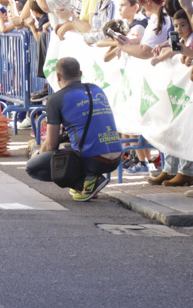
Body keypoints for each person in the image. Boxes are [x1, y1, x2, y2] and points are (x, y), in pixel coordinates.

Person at [24, 57, 122, 201]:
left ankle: (84, 183)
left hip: (94, 160)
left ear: (57, 76)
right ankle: (90, 177)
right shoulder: (97, 89)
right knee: (68, 143)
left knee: (33, 167)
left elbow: (51, 144)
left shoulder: (56, 99)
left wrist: (38, 154)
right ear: (80, 73)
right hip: (117, 157)